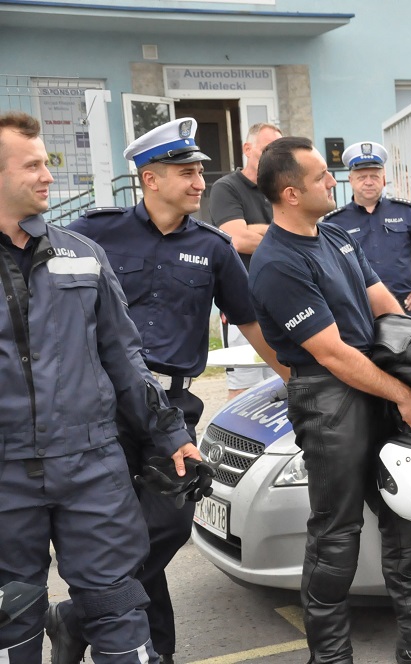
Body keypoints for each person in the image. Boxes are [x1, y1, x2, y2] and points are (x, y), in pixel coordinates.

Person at [47, 117, 288, 664]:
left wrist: (299, 384)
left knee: (168, 523)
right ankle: (155, 653)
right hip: (100, 407)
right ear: (149, 180)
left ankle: (78, 615)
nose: (200, 181)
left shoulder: (214, 247)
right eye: (186, 171)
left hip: (171, 410)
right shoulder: (93, 233)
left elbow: (254, 325)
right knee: (123, 535)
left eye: (201, 170)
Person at [249, 136, 411, 664]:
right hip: (330, 401)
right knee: (336, 535)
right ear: (290, 193)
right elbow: (331, 354)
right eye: (318, 178)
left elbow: (382, 304)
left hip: (378, 380)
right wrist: (403, 394)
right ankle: (330, 656)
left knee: (408, 519)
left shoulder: (334, 237)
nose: (331, 180)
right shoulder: (276, 263)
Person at [0, 111, 199, 664]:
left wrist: (170, 435)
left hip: (92, 468)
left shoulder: (82, 254)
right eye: (33, 165)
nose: (48, 176)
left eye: (47, 163)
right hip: (5, 474)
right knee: (9, 615)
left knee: (118, 608)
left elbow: (124, 357)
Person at [323, 141, 411, 315]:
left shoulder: (404, 211)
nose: (368, 182)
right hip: (359, 315)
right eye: (362, 177)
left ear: (383, 180)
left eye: (374, 176)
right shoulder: (334, 222)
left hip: (403, 310)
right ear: (351, 180)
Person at [209, 122, 283, 398]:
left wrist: (257, 230)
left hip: (282, 302)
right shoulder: (226, 188)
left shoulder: (279, 188)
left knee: (282, 383)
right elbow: (237, 240)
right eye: (266, 149)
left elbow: (304, 233)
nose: (273, 158)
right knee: (243, 389)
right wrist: (281, 236)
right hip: (243, 305)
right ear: (247, 149)